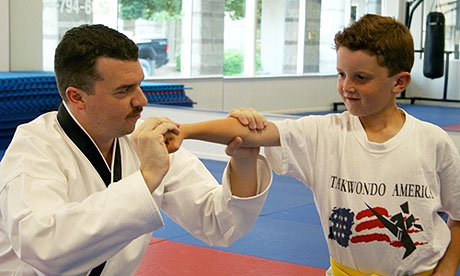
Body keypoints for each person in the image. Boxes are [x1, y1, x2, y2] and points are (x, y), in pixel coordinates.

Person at [168, 14, 460, 275]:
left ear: (399, 82)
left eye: (361, 77)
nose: (346, 86)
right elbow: (253, 132)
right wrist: (184, 131)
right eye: (341, 74)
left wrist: (447, 271)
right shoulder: (324, 134)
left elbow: (458, 217)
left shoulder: (432, 141)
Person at [0, 24, 272, 275]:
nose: (142, 100)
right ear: (77, 97)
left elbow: (219, 224)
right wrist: (147, 177)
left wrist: (244, 161)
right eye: (123, 90)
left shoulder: (142, 140)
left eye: (140, 84)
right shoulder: (34, 149)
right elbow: (45, 250)